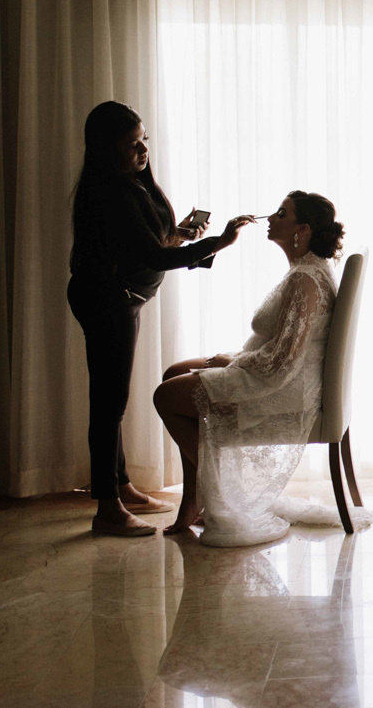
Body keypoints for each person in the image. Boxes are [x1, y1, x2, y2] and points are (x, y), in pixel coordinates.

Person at [68, 101, 253, 537]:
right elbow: (152, 257)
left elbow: (146, 244)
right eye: (132, 143)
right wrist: (218, 243)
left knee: (113, 398)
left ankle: (121, 486)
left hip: (122, 300)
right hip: (106, 302)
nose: (143, 150)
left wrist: (180, 235)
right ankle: (107, 508)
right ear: (107, 148)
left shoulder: (131, 184)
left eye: (144, 140)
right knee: (109, 403)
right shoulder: (110, 191)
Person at [154, 191, 355, 546]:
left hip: (281, 386)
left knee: (165, 397)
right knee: (173, 374)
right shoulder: (304, 270)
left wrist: (234, 361)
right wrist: (235, 358)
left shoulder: (305, 279)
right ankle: (196, 497)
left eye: (282, 213)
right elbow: (283, 347)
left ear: (303, 229)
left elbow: (283, 362)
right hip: (275, 371)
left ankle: (218, 493)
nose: (271, 218)